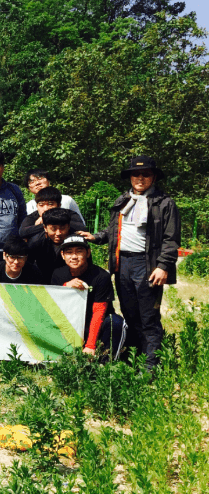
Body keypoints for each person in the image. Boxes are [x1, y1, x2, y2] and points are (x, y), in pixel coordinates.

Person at [81, 155, 180, 369]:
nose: (140, 178)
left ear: (154, 177)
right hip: (122, 264)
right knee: (130, 313)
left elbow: (171, 239)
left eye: (146, 174)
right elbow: (114, 230)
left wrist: (163, 265)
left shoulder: (164, 203)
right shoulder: (123, 200)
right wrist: (95, 237)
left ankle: (151, 367)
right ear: (130, 177)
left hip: (147, 265)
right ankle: (133, 360)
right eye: (136, 174)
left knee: (148, 317)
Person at [52, 235, 126, 359]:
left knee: (115, 321)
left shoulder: (101, 276)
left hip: (95, 323)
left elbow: (99, 312)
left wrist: (90, 345)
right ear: (62, 255)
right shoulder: (57, 274)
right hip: (71, 323)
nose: (74, 256)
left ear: (88, 253)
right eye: (69, 252)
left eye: (79, 252)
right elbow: (53, 306)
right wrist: (65, 287)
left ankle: (106, 362)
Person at [26, 208, 76, 283]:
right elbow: (27, 266)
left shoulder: (76, 242)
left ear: (68, 226)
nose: (58, 233)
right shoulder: (35, 242)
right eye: (53, 229)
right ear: (45, 228)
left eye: (62, 228)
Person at [20, 186, 86, 240]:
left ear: (59, 205)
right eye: (41, 205)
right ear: (37, 206)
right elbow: (23, 232)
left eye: (50, 204)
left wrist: (50, 220)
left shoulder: (69, 214)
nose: (45, 209)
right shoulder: (33, 216)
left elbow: (81, 228)